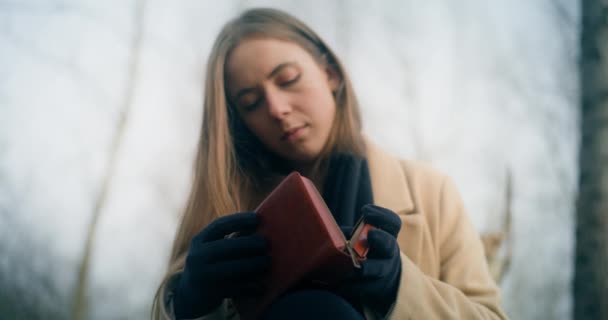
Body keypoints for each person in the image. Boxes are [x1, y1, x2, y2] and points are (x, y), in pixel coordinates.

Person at [152, 7, 508, 320]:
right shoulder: (222, 209)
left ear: (331, 74)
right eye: (251, 103)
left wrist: (401, 289)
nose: (277, 108)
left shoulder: (431, 191)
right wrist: (188, 306)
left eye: (288, 79)